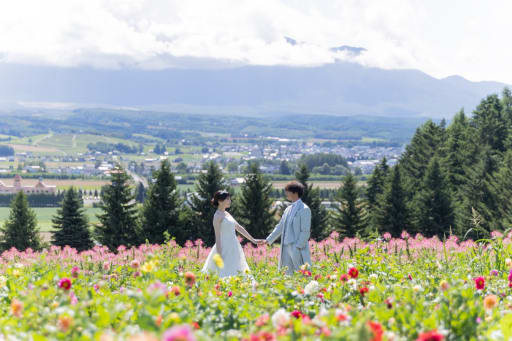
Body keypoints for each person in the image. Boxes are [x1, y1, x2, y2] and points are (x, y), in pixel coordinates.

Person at [201, 190, 263, 277]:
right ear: (219, 201)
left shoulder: (226, 214)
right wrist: (219, 255)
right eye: (227, 199)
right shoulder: (217, 216)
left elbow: (239, 227)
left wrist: (253, 240)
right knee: (223, 272)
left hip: (234, 246)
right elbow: (218, 237)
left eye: (230, 199)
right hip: (224, 248)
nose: (230, 201)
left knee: (237, 269)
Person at [264, 181, 312, 275]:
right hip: (285, 247)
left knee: (302, 274)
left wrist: (298, 246)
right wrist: (268, 240)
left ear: (295, 193)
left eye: (288, 191)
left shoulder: (304, 209)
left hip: (297, 247)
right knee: (287, 275)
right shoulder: (288, 209)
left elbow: (305, 231)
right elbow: (280, 226)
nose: (286, 194)